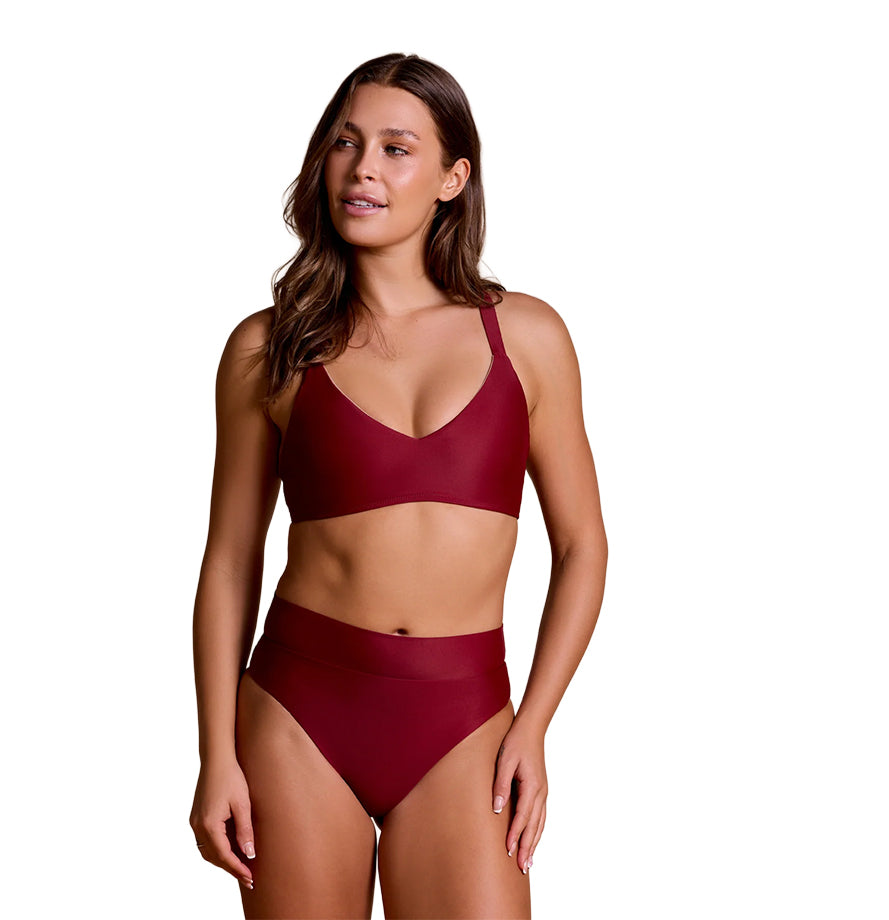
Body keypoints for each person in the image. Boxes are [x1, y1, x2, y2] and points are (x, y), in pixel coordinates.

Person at [189, 52, 607, 919]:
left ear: (454, 178)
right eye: (346, 143)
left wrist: (534, 724)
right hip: (299, 712)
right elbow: (230, 561)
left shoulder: (527, 337)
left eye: (396, 148)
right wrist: (215, 755)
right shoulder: (269, 348)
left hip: (466, 720)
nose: (363, 169)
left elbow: (582, 548)